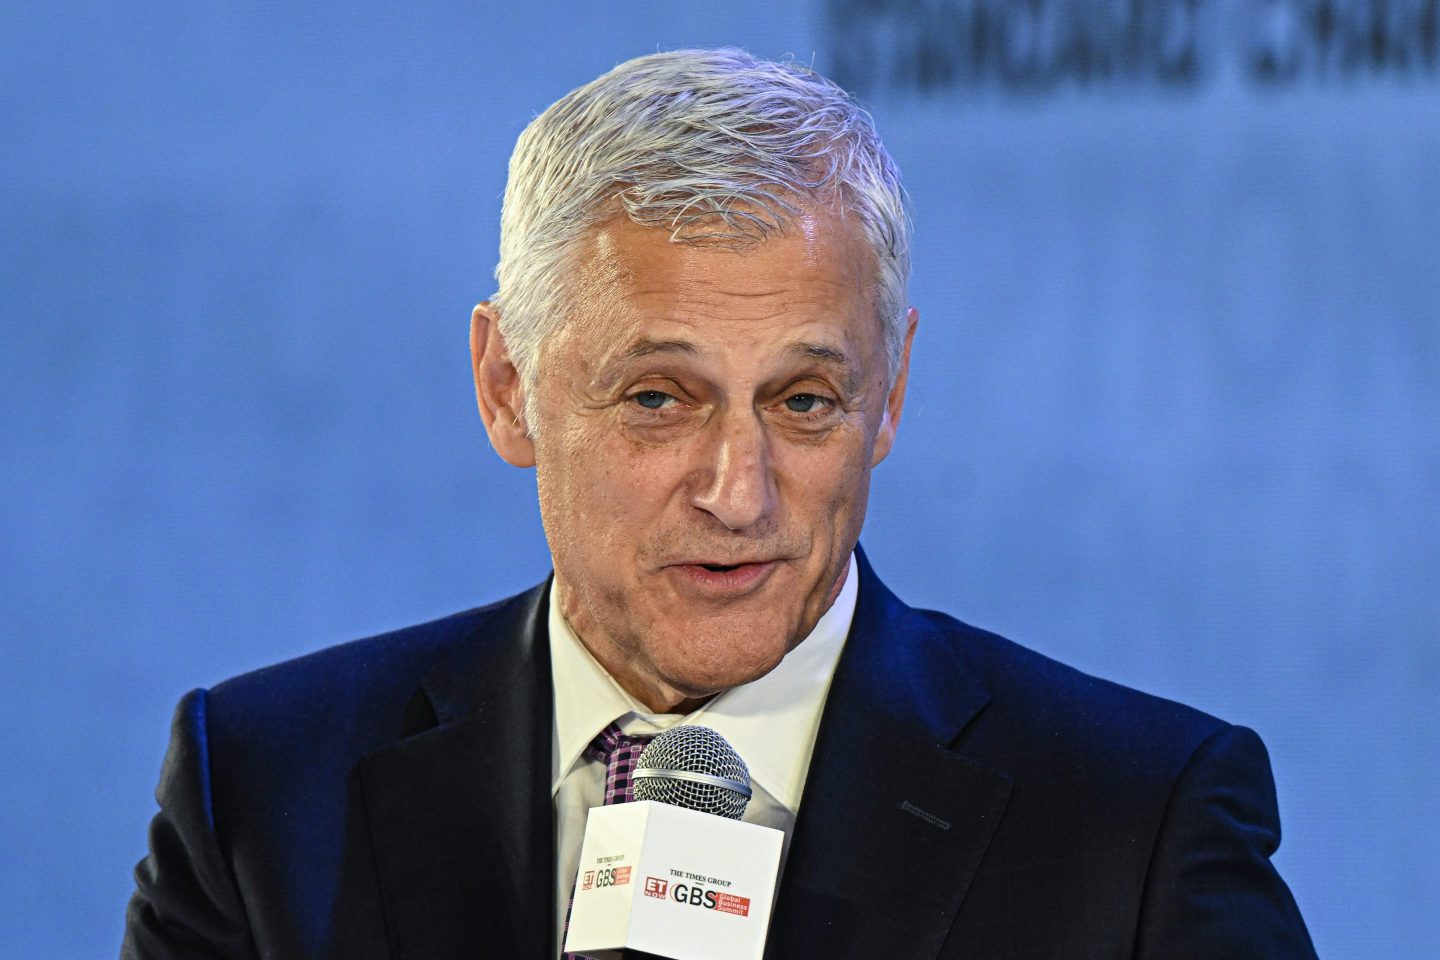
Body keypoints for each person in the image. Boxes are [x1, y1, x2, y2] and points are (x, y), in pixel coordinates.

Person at [122, 49, 1317, 960]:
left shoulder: (1136, 823)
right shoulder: (267, 793)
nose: (738, 493)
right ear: (507, 388)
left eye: (802, 402)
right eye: (658, 398)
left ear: (890, 396)